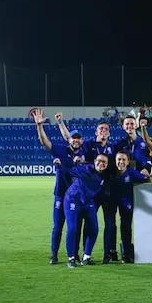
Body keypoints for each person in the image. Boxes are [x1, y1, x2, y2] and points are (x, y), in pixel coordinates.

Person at [33, 109, 86, 264]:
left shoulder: (85, 153)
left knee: (75, 227)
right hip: (61, 194)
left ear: (81, 141)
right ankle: (54, 255)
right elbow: (44, 142)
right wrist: (39, 126)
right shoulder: (60, 149)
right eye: (73, 138)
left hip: (76, 196)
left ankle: (74, 255)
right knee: (58, 226)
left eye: (78, 138)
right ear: (69, 139)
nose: (76, 140)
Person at [62, 154, 111, 268]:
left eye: (104, 162)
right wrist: (68, 163)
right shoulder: (86, 169)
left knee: (94, 229)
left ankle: (86, 257)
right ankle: (71, 258)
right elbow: (69, 170)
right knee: (73, 228)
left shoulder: (104, 176)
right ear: (94, 161)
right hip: (72, 200)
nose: (101, 164)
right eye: (99, 161)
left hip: (88, 202)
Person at [111, 151, 150, 263]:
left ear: (128, 162)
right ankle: (110, 252)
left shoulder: (131, 172)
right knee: (110, 227)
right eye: (119, 159)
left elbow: (144, 179)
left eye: (124, 160)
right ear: (115, 160)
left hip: (126, 204)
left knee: (126, 228)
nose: (121, 162)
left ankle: (126, 254)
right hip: (111, 203)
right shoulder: (110, 171)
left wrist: (147, 175)